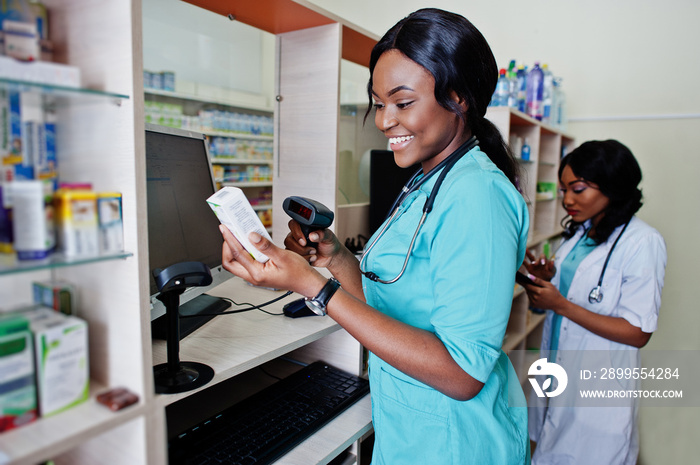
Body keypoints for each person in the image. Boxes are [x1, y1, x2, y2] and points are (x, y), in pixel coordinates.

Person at [219, 8, 530, 464]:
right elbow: (394, 302)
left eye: (402, 103)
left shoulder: (478, 197)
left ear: (459, 97)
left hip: (455, 443)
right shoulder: (430, 179)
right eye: (379, 103)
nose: (384, 121)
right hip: (412, 430)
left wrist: (314, 287)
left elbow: (463, 374)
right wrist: (334, 259)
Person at [522, 140, 667, 465]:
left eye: (578, 189)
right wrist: (546, 277)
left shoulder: (643, 242)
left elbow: (638, 332)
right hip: (556, 372)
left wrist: (561, 305)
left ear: (612, 186)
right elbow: (569, 293)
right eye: (563, 190)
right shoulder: (581, 234)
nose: (568, 200)